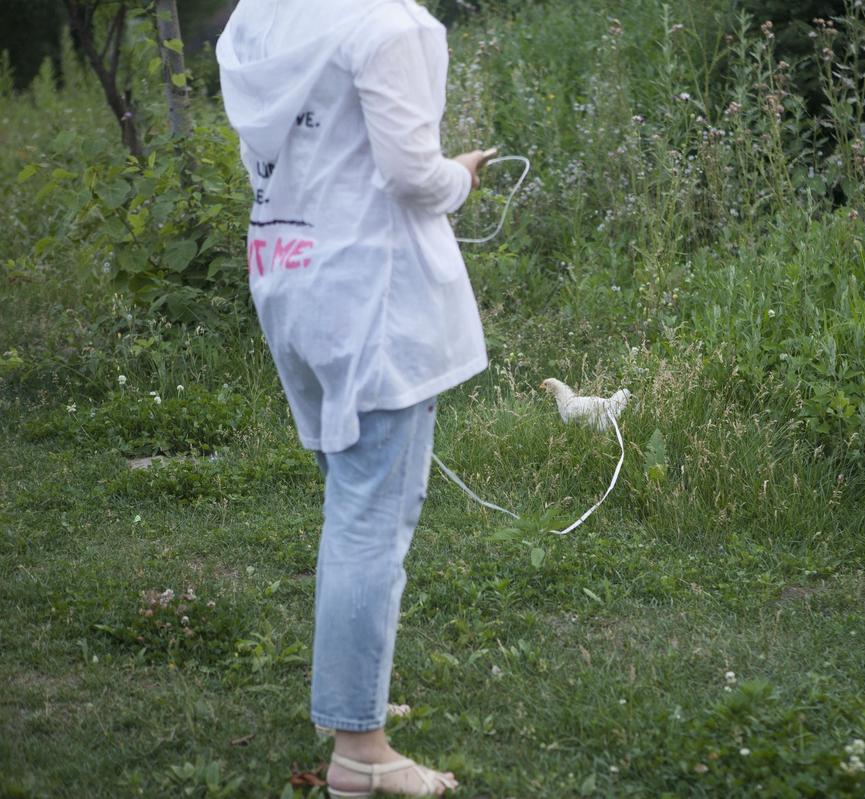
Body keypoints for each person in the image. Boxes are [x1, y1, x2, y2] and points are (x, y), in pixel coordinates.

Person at [218, 0, 493, 793]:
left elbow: (266, 158)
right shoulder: (384, 23)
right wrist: (461, 178)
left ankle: (349, 695)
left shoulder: (260, 19)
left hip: (292, 274)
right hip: (371, 293)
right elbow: (413, 175)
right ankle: (359, 753)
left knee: (352, 498)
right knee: (371, 517)